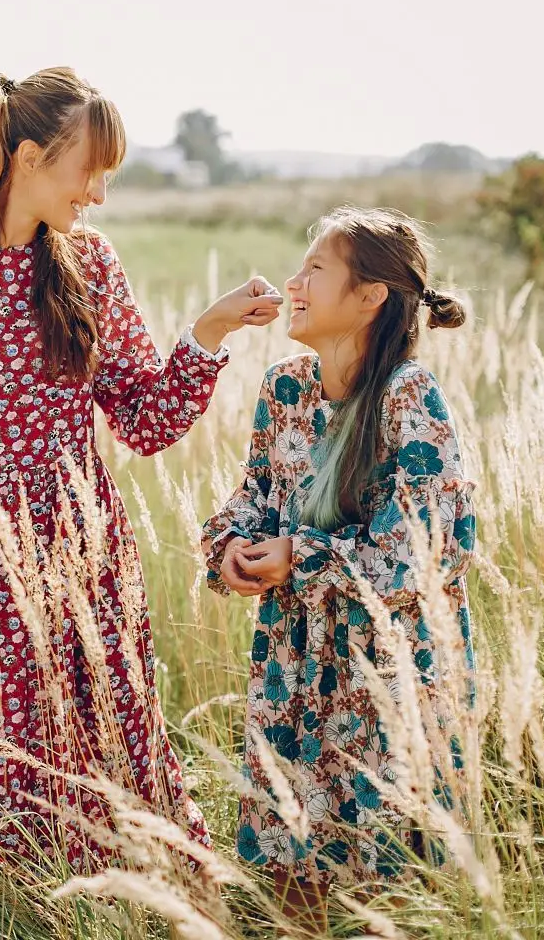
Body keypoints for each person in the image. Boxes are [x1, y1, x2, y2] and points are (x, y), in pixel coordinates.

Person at [0, 67, 282, 870]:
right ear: (30, 157)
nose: (99, 194)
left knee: (92, 766)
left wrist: (208, 331)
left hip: (69, 562)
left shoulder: (90, 266)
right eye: (91, 170)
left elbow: (144, 420)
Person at [201, 206, 477, 934]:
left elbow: (426, 547)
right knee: (297, 874)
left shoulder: (408, 398)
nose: (293, 281)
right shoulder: (285, 390)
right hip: (296, 674)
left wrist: (303, 556)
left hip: (383, 680)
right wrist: (232, 546)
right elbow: (254, 498)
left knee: (384, 886)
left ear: (369, 296)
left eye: (315, 269)